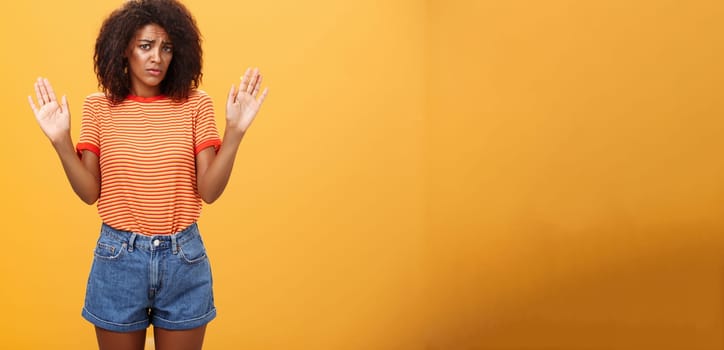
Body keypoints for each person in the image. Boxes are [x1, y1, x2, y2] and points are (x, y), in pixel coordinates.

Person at [27, 0, 268, 349]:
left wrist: (235, 132)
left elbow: (210, 191)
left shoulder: (195, 105)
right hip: (118, 259)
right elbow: (90, 192)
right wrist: (61, 141)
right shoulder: (98, 107)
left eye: (166, 47)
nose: (157, 57)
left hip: (183, 258)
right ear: (124, 50)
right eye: (146, 46)